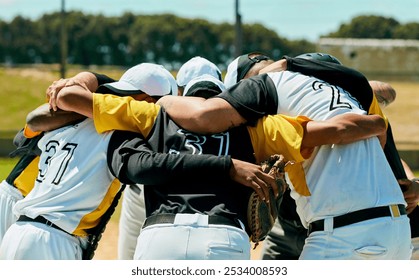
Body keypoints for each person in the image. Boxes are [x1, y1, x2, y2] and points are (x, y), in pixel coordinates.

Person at [41, 66, 386, 259]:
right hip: (222, 235)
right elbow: (340, 129)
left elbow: (70, 98)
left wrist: (81, 79)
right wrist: (377, 123)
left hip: (159, 235)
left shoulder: (150, 113)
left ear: (184, 93)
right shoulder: (259, 127)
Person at [156, 56, 413, 259]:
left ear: (242, 84)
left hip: (344, 234)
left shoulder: (262, 86)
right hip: (397, 232)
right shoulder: (334, 90)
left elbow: (204, 117)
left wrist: (163, 101)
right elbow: (376, 124)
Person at [0, 63, 186, 259]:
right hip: (49, 230)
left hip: (22, 225)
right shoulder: (122, 134)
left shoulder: (72, 118)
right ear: (148, 101)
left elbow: (27, 130)